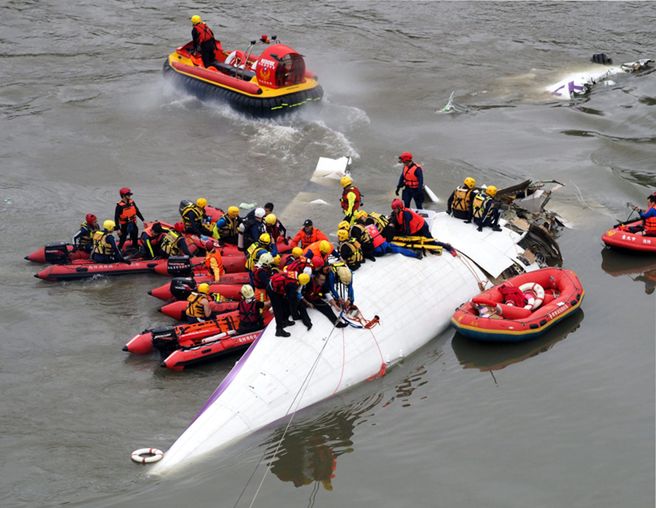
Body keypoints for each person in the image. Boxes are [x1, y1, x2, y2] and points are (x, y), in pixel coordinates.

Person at [267, 271, 312, 337]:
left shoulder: (296, 274)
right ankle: (279, 330)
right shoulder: (294, 285)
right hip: (272, 290)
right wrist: (295, 314)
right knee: (278, 310)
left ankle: (285, 321)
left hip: (275, 286)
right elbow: (291, 301)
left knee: (285, 304)